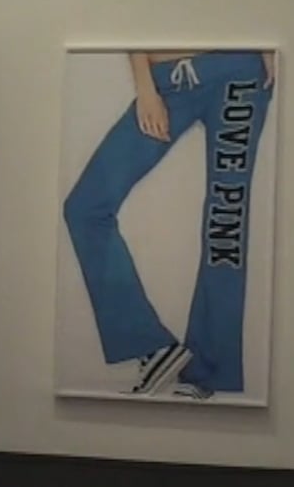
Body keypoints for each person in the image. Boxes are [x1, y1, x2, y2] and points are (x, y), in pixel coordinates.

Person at [62, 48, 276, 400]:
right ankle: (151, 345)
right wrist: (145, 86)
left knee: (225, 228)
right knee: (85, 207)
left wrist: (269, 42)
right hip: (167, 76)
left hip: (237, 72)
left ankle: (208, 371)